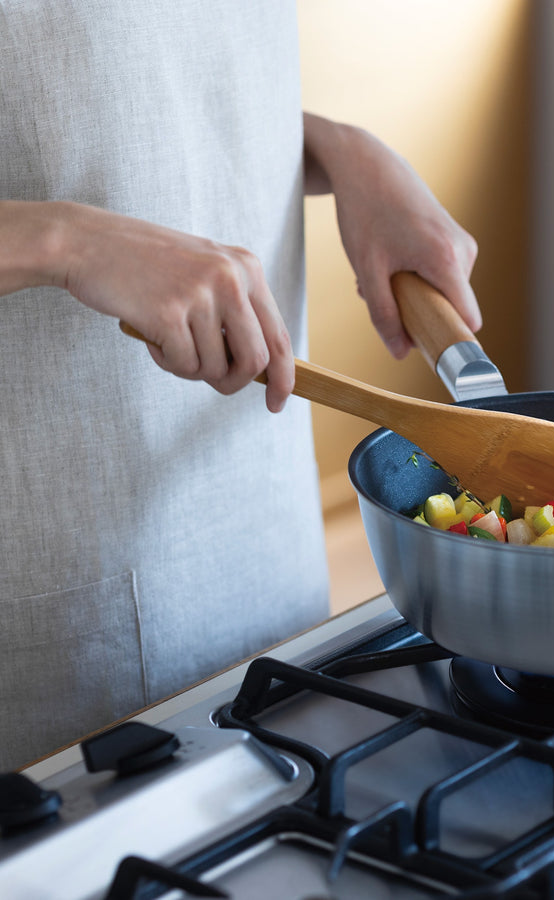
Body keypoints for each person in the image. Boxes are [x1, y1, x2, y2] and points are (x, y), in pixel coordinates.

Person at [0, 1, 481, 770]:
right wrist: (65, 241)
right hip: (51, 577)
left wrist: (336, 148)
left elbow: (129, 77)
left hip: (259, 532)